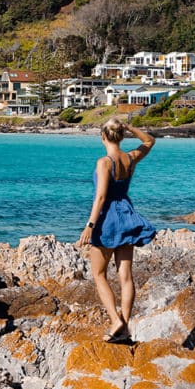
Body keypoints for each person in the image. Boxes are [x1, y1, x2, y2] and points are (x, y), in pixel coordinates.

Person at [76, 118, 156, 343]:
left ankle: (115, 319)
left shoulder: (104, 162)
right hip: (127, 216)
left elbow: (101, 197)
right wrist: (131, 128)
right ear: (121, 136)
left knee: (99, 274)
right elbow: (149, 141)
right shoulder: (130, 158)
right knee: (126, 277)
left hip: (107, 220)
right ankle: (125, 328)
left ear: (103, 137)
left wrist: (90, 226)